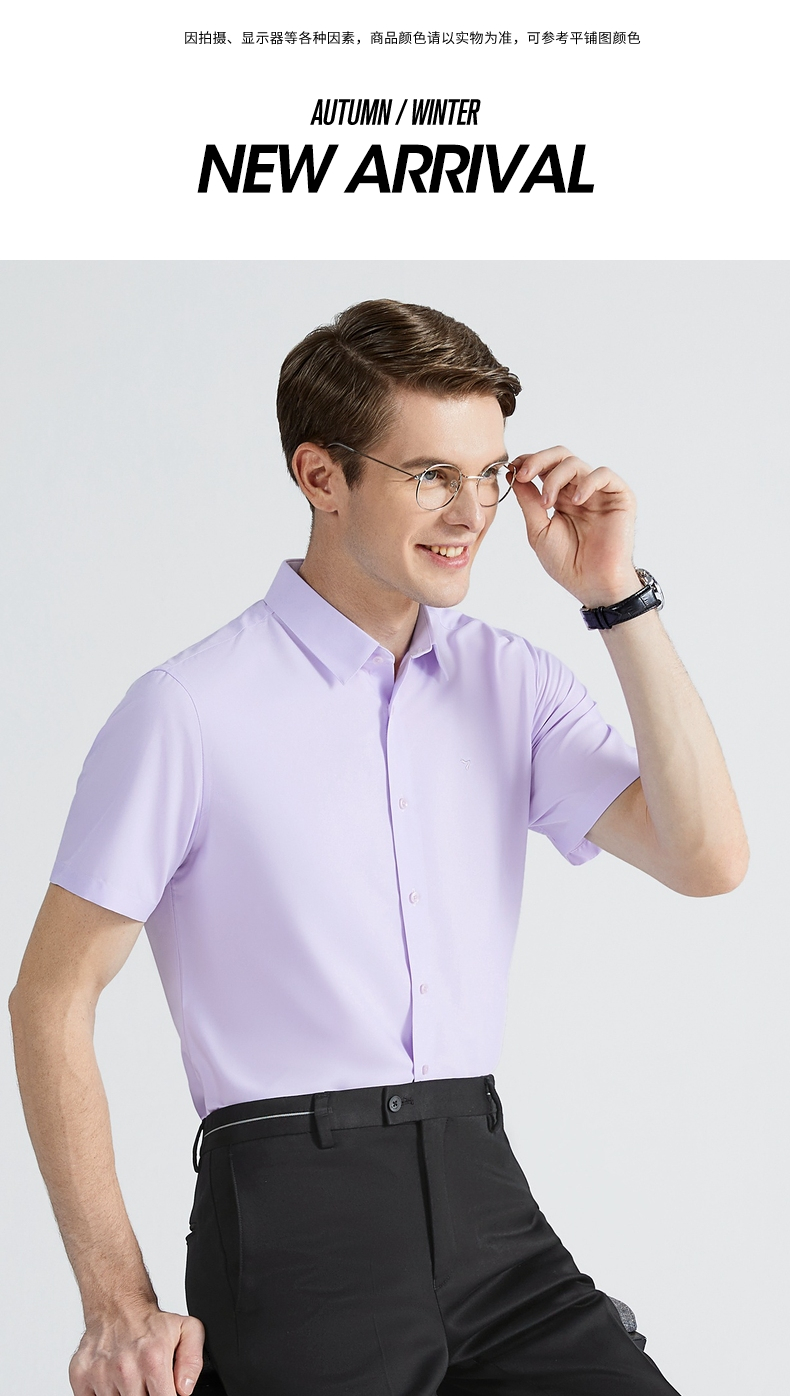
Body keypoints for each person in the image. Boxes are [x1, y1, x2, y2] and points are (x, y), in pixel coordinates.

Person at [9, 299, 748, 1396]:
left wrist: (614, 598)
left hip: (484, 1193)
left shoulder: (511, 682)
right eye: (432, 476)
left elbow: (707, 859)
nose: (473, 513)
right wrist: (115, 1302)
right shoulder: (189, 711)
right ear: (321, 475)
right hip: (296, 1225)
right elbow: (49, 998)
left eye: (489, 473)